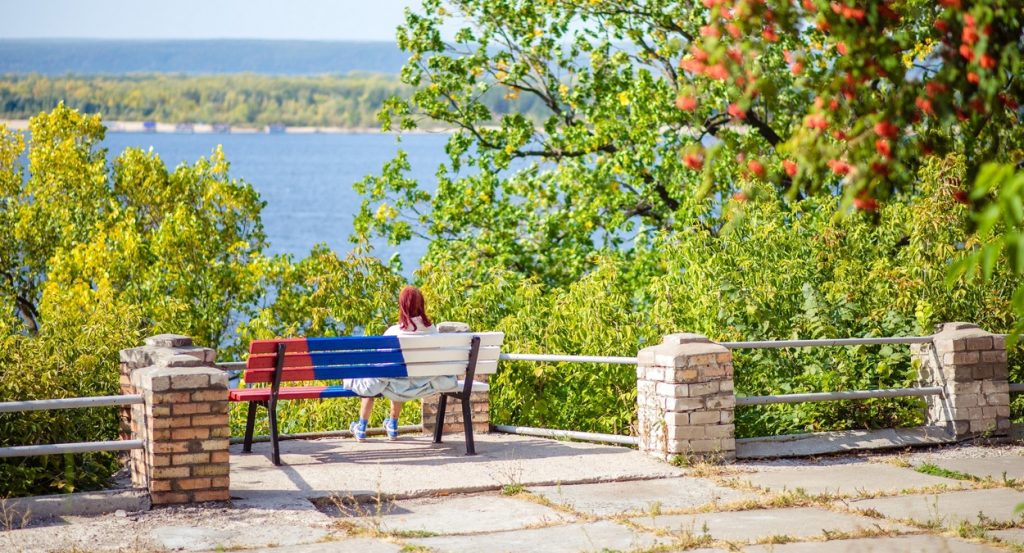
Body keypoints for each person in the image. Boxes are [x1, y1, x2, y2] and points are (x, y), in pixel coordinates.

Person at [345, 286, 458, 441]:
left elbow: (380, 364)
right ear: (421, 304)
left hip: (396, 384)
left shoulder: (394, 332)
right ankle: (392, 424)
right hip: (421, 384)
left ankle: (362, 426)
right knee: (399, 374)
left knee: (385, 375)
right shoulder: (431, 331)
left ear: (402, 306)